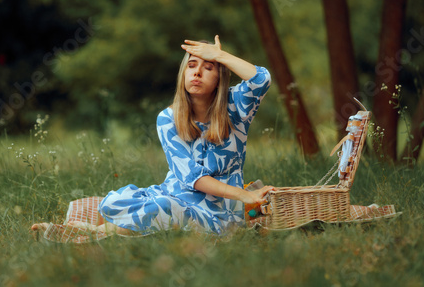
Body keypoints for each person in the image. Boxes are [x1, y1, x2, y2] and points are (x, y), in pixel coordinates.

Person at [31, 36, 275, 243]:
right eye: (191, 65)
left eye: (208, 67)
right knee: (118, 201)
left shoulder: (236, 107)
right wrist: (245, 195)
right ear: (184, 73)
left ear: (220, 77)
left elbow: (261, 79)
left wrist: (220, 56)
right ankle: (90, 233)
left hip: (218, 211)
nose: (198, 72)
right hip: (174, 194)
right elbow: (192, 177)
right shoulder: (168, 118)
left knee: (163, 209)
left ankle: (82, 235)